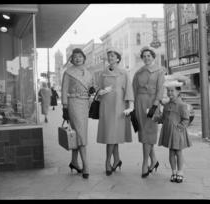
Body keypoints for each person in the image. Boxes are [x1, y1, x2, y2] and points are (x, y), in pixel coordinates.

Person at [97, 47, 134, 176]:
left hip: (119, 107)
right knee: (112, 135)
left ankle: (108, 161)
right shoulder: (102, 73)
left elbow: (129, 90)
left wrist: (130, 106)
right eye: (109, 55)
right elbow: (98, 90)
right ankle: (117, 160)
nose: (110, 58)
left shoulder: (124, 73)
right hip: (106, 107)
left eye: (113, 56)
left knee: (112, 136)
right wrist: (101, 92)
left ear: (118, 58)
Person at [61, 48, 96, 179]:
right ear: (71, 59)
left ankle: (74, 162)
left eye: (80, 56)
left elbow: (92, 87)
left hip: (85, 104)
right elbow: (64, 90)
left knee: (77, 134)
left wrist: (92, 89)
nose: (77, 59)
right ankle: (86, 165)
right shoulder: (68, 72)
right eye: (75, 57)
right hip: (73, 103)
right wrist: (65, 108)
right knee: (81, 135)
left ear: (84, 58)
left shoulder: (88, 73)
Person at [132, 46, 165, 178]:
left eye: (149, 56)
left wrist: (155, 105)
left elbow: (160, 89)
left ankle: (145, 163)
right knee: (144, 133)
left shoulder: (160, 71)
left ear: (153, 57)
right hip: (140, 103)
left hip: (152, 103)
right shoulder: (138, 72)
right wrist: (132, 106)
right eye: (144, 56)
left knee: (149, 133)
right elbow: (134, 89)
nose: (146, 58)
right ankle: (154, 160)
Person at [158, 80, 192, 183]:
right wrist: (155, 118)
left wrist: (179, 128)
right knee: (171, 152)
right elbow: (163, 118)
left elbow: (186, 119)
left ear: (178, 92)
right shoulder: (167, 105)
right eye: (168, 91)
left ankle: (180, 172)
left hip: (178, 132)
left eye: (172, 91)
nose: (169, 93)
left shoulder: (181, 105)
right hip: (169, 132)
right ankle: (173, 172)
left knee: (178, 152)